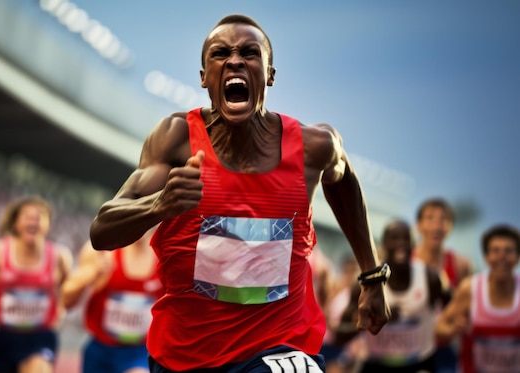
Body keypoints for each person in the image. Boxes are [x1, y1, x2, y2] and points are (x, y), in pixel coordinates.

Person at [89, 14, 390, 372]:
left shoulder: (314, 147)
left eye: (249, 53)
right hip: (186, 355)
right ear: (204, 77)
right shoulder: (176, 140)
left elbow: (344, 181)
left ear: (270, 74)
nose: (234, 60)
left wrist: (372, 276)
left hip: (280, 345)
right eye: (220, 54)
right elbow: (101, 231)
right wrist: (159, 205)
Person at [0, 195, 73, 373]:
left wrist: (60, 312)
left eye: (40, 215)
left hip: (41, 337)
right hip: (5, 338)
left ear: (48, 224)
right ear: (14, 224)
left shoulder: (60, 257)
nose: (34, 219)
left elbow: (69, 294)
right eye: (27, 215)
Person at [335, 219, 444, 372]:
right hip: (375, 365)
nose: (401, 243)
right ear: (384, 244)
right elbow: (339, 336)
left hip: (419, 364)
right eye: (394, 238)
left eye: (406, 238)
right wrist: (370, 320)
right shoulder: (365, 282)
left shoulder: (430, 278)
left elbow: (449, 314)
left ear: (413, 244)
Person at [61, 226, 163, 373]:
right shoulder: (102, 251)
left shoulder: (165, 255)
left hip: (140, 350)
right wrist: (91, 274)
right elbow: (66, 301)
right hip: (101, 350)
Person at [435, 224, 520, 373]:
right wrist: (453, 329)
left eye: (508, 251)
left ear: (517, 257)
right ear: (486, 257)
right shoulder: (470, 288)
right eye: (495, 251)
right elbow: (439, 328)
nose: (502, 257)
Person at [412, 197, 473, 372]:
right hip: (410, 346)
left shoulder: (461, 265)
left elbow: (467, 308)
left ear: (451, 227)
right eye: (430, 218)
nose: (437, 226)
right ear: (418, 225)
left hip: (444, 349)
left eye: (443, 219)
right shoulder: (405, 262)